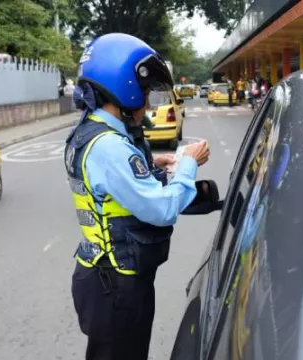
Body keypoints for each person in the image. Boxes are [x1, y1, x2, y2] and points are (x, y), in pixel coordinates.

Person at [64, 33, 210, 360]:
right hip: (116, 284)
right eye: (144, 91)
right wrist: (187, 163)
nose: (147, 102)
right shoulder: (110, 146)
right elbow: (162, 208)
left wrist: (153, 162)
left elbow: (105, 184)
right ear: (123, 86)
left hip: (102, 276)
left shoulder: (90, 133)